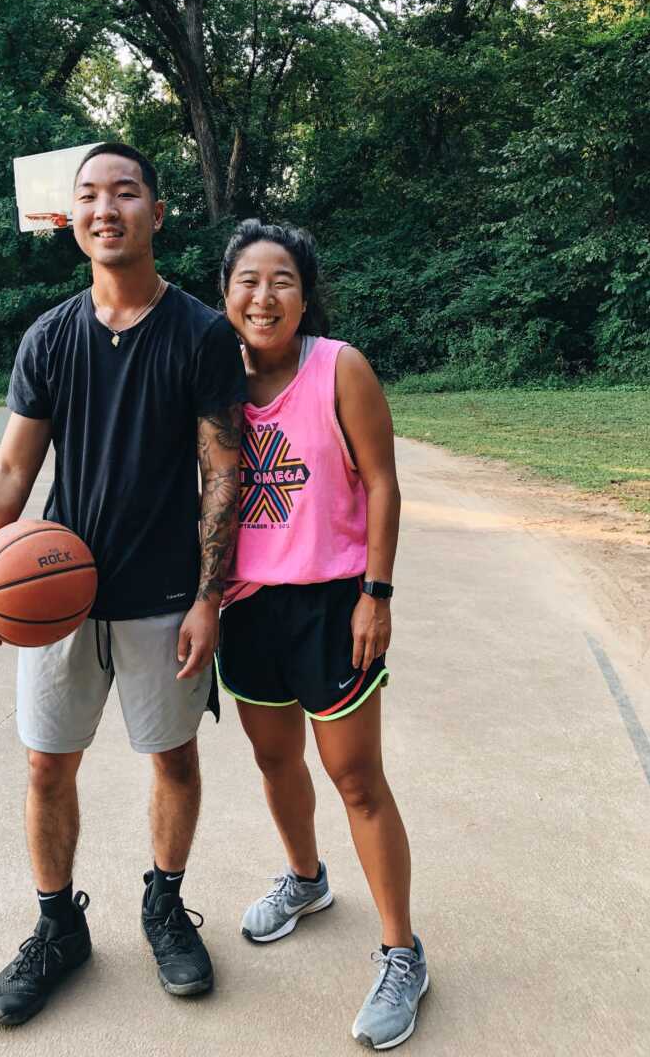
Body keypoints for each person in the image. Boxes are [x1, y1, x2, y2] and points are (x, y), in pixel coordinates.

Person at [0, 143, 245, 1024]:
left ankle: (164, 905)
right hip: (59, 596)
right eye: (89, 196)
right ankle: (57, 928)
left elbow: (223, 474)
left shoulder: (201, 332)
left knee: (173, 759)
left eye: (125, 192)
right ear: (70, 219)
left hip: (161, 596)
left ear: (156, 210)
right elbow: (10, 470)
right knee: (45, 766)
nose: (106, 208)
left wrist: (207, 598)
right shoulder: (50, 336)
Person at [217, 220, 429, 1051]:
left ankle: (402, 951)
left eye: (281, 281)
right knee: (276, 761)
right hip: (248, 607)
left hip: (333, 601)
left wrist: (376, 593)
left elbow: (382, 482)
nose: (263, 296)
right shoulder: (211, 377)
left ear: (305, 295)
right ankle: (306, 880)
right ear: (225, 293)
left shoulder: (339, 367)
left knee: (357, 779)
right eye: (247, 281)